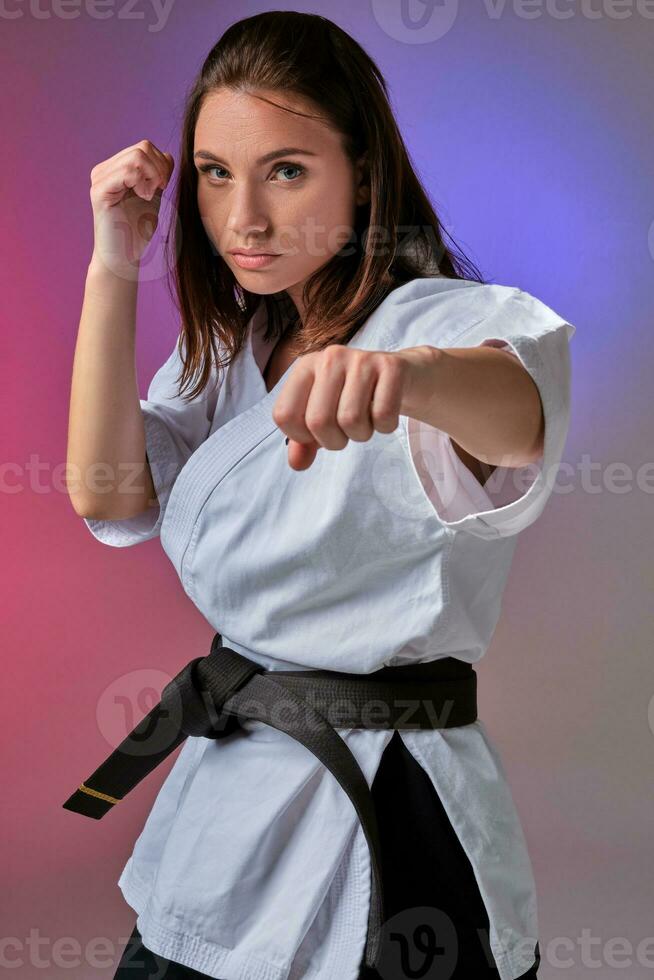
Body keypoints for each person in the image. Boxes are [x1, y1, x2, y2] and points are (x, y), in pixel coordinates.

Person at [66, 11, 575, 980]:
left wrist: (409, 376)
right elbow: (106, 496)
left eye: (287, 170)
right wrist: (111, 261)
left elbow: (519, 414)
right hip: (233, 781)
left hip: (392, 805)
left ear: (365, 177)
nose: (244, 218)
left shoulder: (444, 321)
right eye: (216, 173)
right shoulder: (231, 347)